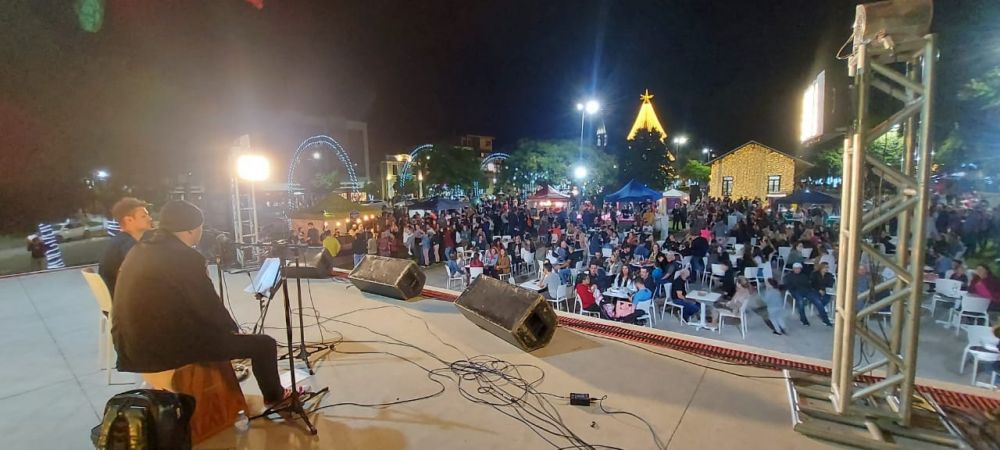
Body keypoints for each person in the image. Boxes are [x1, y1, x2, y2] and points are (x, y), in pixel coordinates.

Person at [112, 200, 290, 408]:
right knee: (264, 344)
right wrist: (232, 331)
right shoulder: (184, 257)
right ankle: (277, 397)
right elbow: (207, 306)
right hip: (160, 349)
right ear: (191, 229)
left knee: (224, 336)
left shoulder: (141, 248)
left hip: (131, 346)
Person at [98, 197, 154, 297]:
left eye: (148, 215)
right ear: (129, 220)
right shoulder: (128, 245)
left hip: (118, 301)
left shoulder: (118, 241)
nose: (150, 218)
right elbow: (141, 276)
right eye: (143, 216)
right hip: (126, 303)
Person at [785, 262, 831, 326]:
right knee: (800, 302)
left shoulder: (804, 276)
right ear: (793, 269)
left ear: (800, 269)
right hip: (796, 291)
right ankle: (803, 320)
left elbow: (809, 285)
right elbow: (788, 286)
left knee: (818, 301)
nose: (797, 270)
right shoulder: (789, 276)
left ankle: (826, 320)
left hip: (806, 291)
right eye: (795, 268)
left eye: (798, 268)